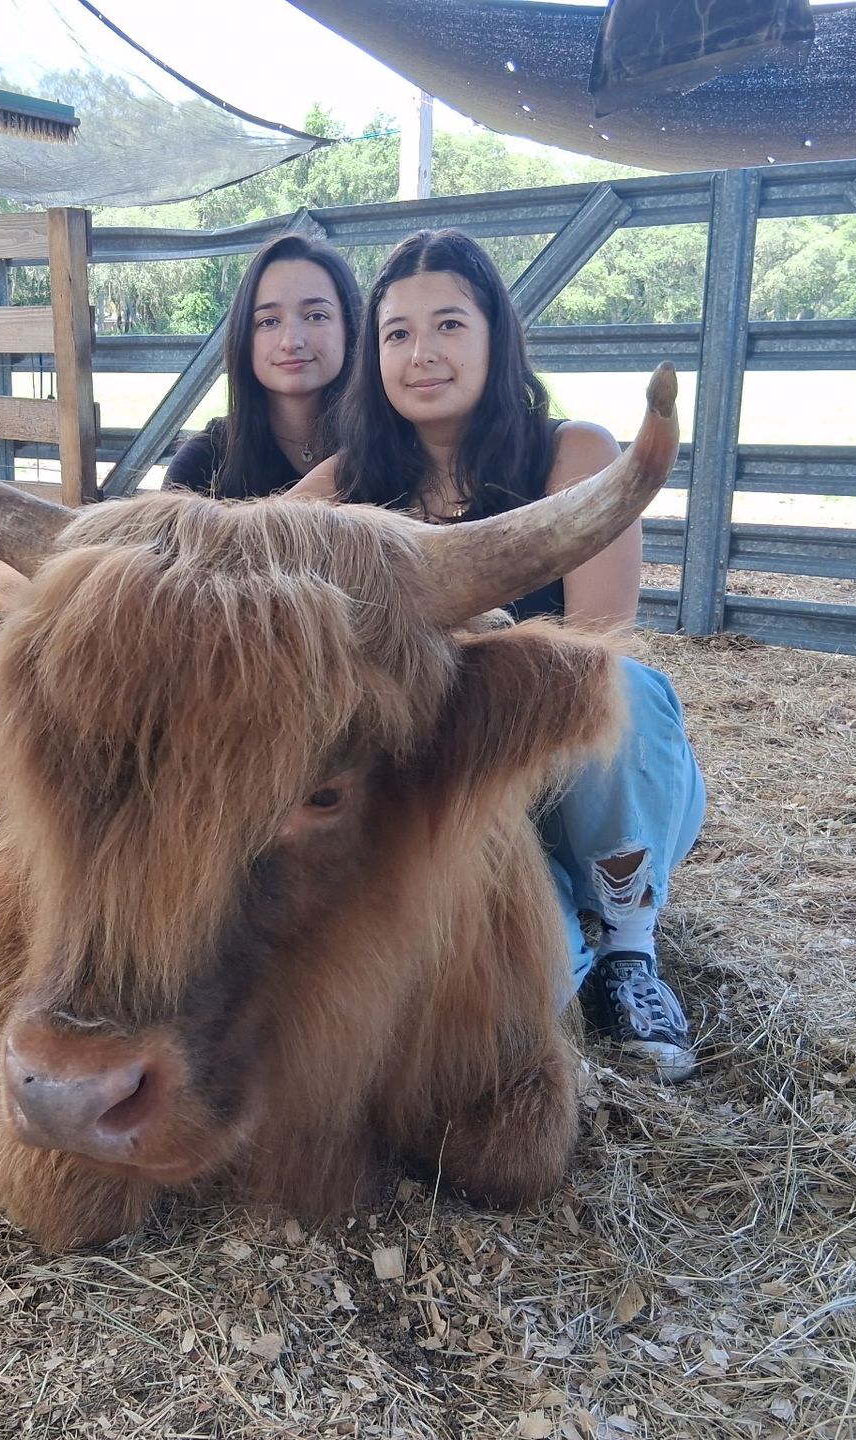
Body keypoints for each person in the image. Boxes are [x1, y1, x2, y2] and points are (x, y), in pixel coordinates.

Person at [292, 229, 707, 1083]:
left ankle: (630, 948)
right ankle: (568, 937)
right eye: (398, 333)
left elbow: (600, 643)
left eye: (449, 324)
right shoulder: (338, 487)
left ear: (495, 337)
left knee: (619, 685)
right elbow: (236, 558)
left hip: (577, 776)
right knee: (522, 987)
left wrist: (471, 641)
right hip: (444, 791)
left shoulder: (576, 455)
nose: (422, 353)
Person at [164, 233, 361, 498]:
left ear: (349, 328)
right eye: (268, 321)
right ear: (245, 338)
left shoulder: (391, 451)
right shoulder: (201, 465)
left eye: (316, 316)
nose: (291, 342)